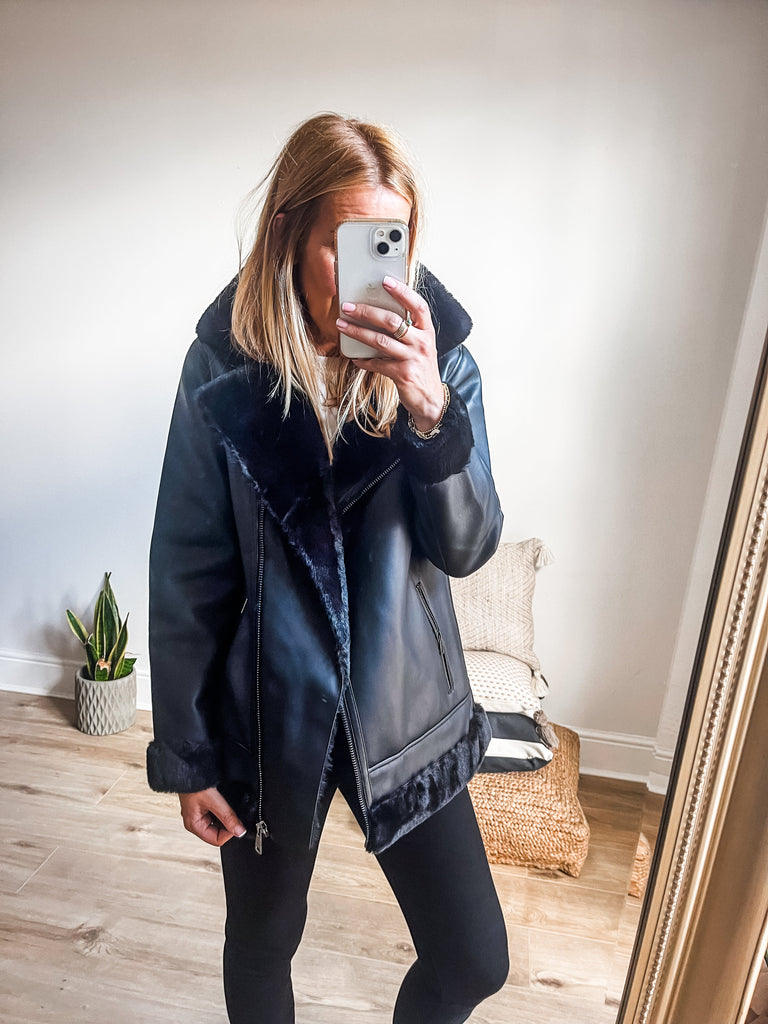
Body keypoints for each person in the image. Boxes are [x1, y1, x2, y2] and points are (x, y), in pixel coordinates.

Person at [146, 112, 509, 1024]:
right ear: (288, 232)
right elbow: (188, 567)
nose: (374, 273)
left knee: (473, 959)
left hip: (405, 706)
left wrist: (430, 413)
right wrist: (189, 755)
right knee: (261, 946)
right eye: (347, 244)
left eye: (391, 242)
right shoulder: (221, 368)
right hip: (271, 716)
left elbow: (468, 547)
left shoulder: (442, 362)